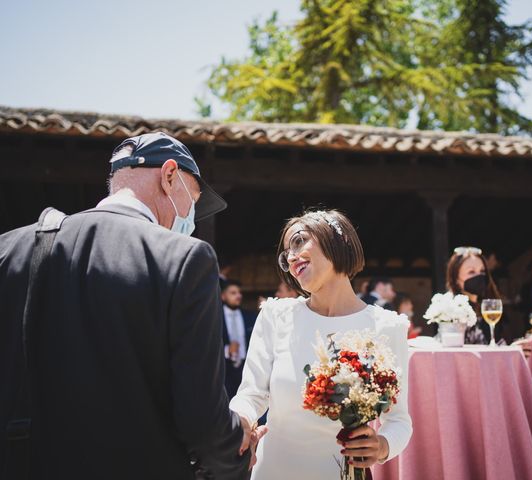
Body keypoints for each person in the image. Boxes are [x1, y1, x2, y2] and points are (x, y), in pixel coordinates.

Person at [0, 132, 254, 479]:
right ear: (169, 176)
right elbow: (201, 420)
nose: (191, 218)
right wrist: (238, 449)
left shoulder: (10, 248)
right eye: (193, 200)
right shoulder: (182, 258)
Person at [229, 209, 412, 479]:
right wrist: (241, 423)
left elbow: (398, 420)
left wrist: (383, 446)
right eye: (286, 254)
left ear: (337, 241)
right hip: (274, 471)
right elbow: (251, 395)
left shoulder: (388, 327)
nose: (291, 256)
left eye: (299, 241)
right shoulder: (276, 316)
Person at [445, 246, 502, 344]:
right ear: (456, 279)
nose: (479, 276)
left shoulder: (488, 305)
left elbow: (496, 345)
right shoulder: (451, 309)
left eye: (482, 271)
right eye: (471, 272)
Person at [221, 279, 257, 398]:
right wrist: (226, 349)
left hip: (245, 369)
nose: (238, 295)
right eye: (233, 293)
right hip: (224, 370)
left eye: (239, 293)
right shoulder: (215, 317)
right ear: (223, 296)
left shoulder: (249, 316)